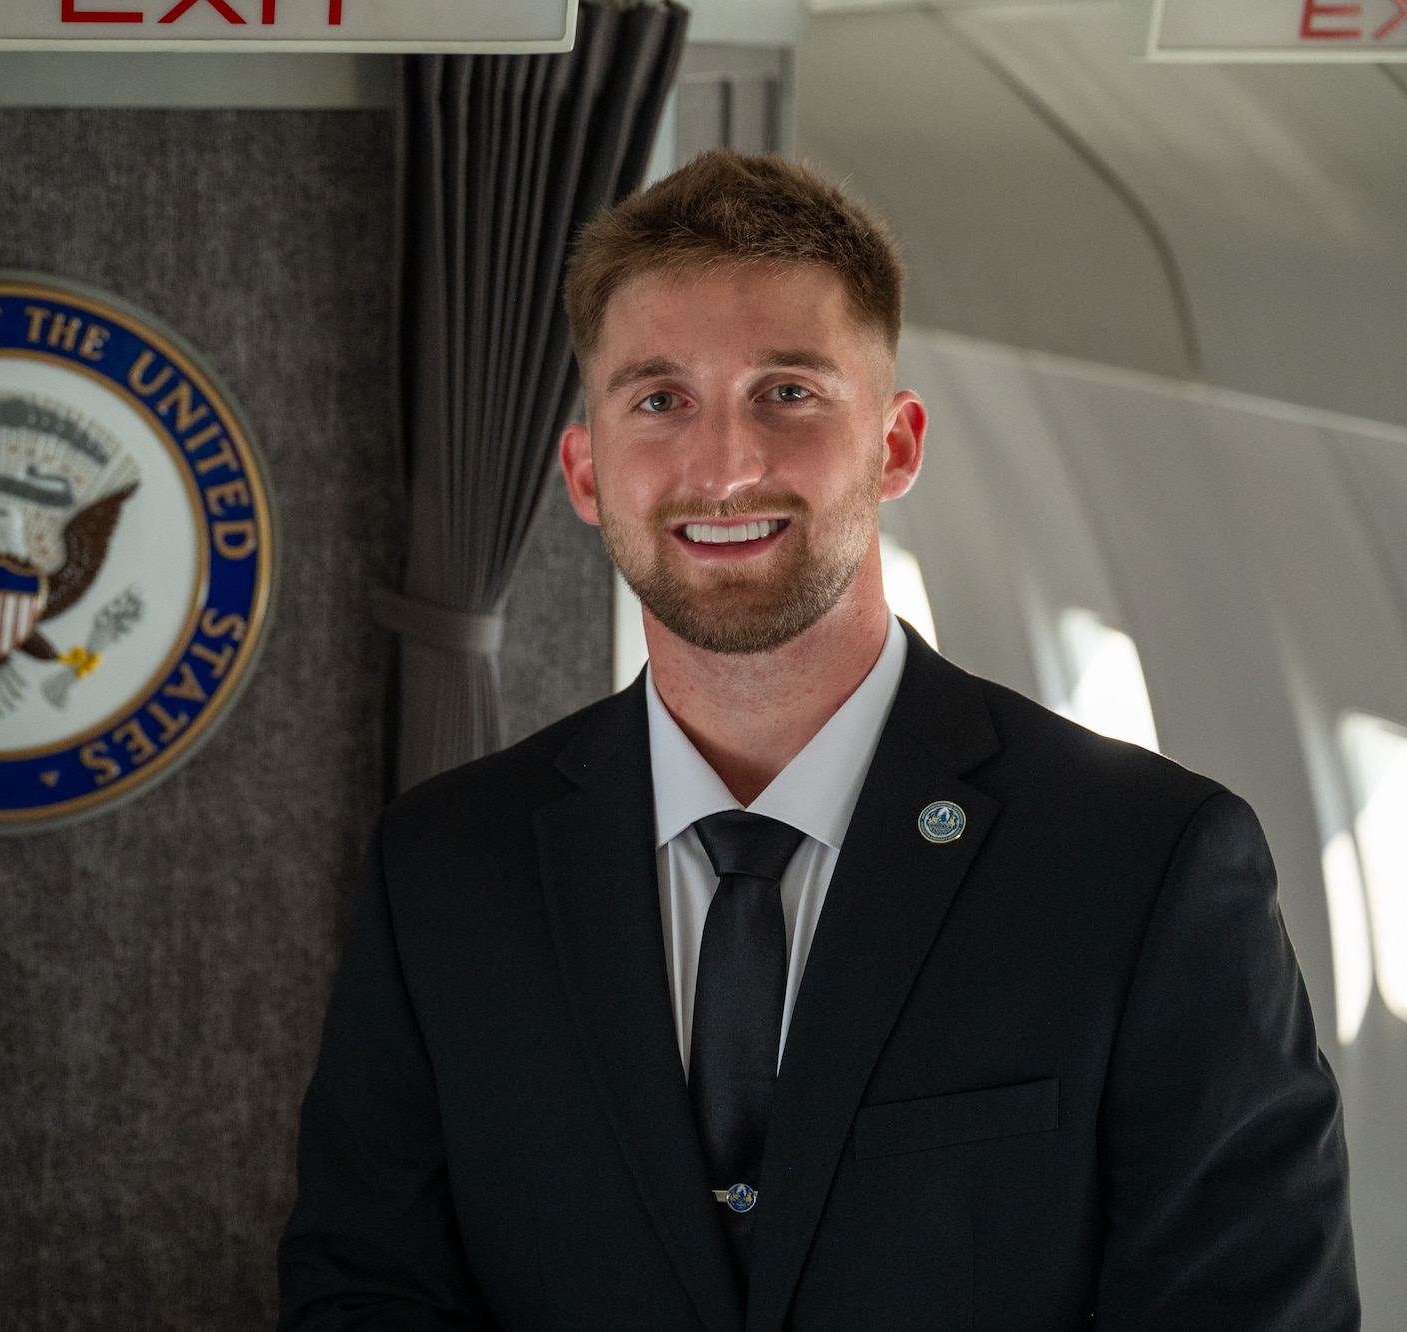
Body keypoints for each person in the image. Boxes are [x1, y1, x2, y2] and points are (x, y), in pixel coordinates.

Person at [277, 151, 1358, 1331]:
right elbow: (364, 1290)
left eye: (786, 393)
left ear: (895, 445)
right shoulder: (444, 869)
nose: (722, 467)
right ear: (586, 472)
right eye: (657, 401)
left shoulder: (1143, 863)